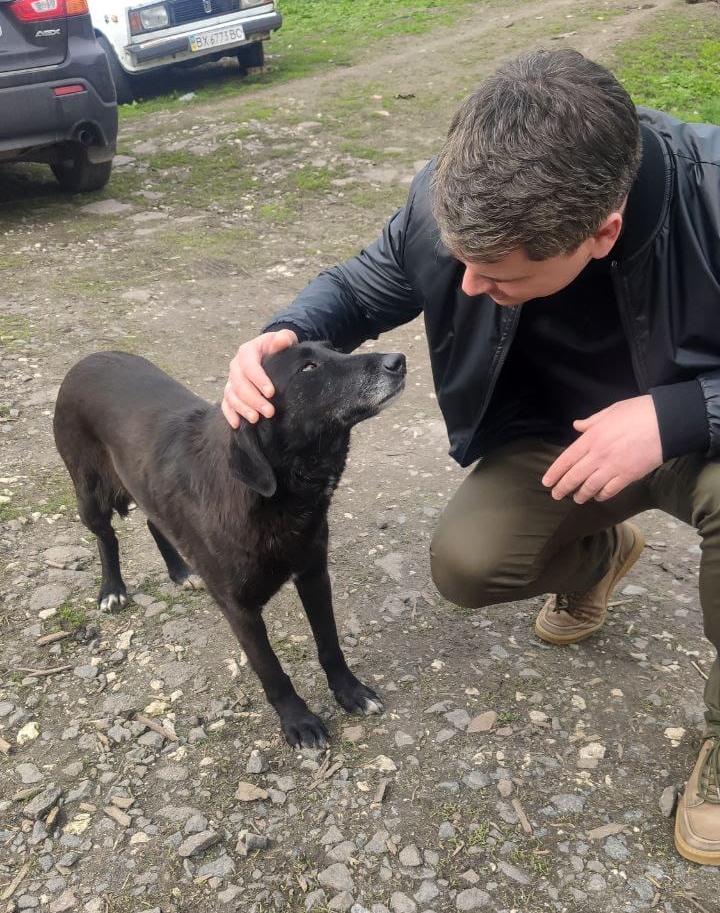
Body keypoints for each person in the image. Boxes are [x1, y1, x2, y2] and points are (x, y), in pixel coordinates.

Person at [222, 48, 720, 867]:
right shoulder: (444, 204)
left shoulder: (711, 193)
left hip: (697, 439)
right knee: (468, 563)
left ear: (602, 232)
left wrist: (676, 414)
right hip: (556, 444)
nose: (468, 289)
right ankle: (596, 557)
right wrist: (283, 329)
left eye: (496, 278)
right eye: (462, 266)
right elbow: (358, 287)